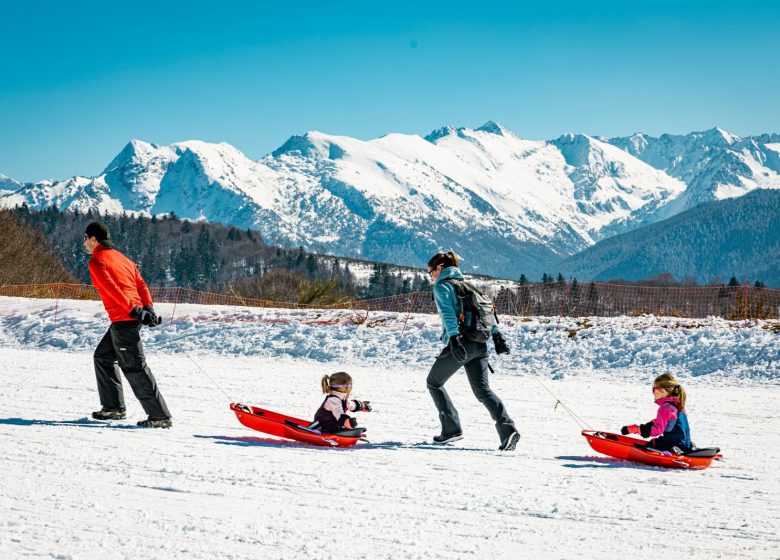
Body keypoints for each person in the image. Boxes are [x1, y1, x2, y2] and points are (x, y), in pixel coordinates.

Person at [425, 251, 519, 451]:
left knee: (434, 382)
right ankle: (507, 430)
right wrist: (497, 335)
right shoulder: (468, 286)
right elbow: (486, 312)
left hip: (461, 343)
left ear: (440, 269)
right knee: (483, 391)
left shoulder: (443, 286)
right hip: (480, 345)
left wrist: (454, 339)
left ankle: (451, 429)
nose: (431, 276)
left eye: (431, 272)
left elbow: (448, 315)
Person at [83, 222, 173, 428]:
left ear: (94, 239)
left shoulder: (97, 261)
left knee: (134, 367)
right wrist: (147, 308)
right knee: (103, 357)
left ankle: (159, 416)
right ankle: (113, 408)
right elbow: (141, 284)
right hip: (127, 317)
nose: (84, 242)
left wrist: (136, 311)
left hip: (125, 319)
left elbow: (113, 290)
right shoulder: (123, 258)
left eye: (86, 238)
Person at [621, 373, 692, 452]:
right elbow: (670, 424)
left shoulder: (665, 408)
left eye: (654, 389)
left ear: (663, 390)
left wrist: (637, 429)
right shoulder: (679, 405)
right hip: (686, 445)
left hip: (672, 444)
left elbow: (657, 430)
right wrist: (646, 426)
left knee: (650, 445)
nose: (653, 392)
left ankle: (670, 452)